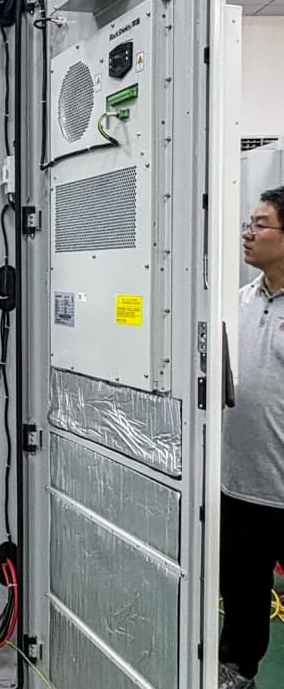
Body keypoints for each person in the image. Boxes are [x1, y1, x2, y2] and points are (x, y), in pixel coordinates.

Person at [219, 187, 284, 689]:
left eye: (260, 224)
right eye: (249, 222)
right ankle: (238, 671)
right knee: (242, 591)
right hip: (239, 485)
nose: (248, 232)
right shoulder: (237, 302)